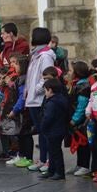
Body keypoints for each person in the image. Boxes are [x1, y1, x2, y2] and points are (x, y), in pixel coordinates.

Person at [23, 27, 57, 173]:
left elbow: (47, 76)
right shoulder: (36, 54)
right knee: (41, 132)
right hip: (32, 99)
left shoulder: (45, 56)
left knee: (45, 131)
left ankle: (48, 160)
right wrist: (27, 90)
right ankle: (43, 159)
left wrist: (37, 89)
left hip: (39, 99)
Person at [39, 78, 69, 180]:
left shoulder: (52, 103)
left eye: (45, 90)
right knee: (52, 151)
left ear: (50, 90)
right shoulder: (61, 99)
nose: (45, 93)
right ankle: (51, 170)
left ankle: (59, 172)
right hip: (59, 129)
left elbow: (48, 117)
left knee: (55, 152)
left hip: (53, 130)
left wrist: (42, 127)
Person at [67, 61, 92, 177]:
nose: (69, 73)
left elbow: (82, 105)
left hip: (80, 121)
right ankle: (80, 164)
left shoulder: (83, 86)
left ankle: (85, 166)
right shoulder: (77, 84)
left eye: (71, 70)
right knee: (79, 143)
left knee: (83, 143)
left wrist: (74, 119)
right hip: (76, 119)